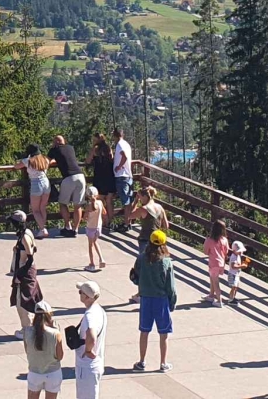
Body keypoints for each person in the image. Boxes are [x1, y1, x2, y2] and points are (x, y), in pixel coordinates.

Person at [134, 230, 177, 373]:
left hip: (146, 299)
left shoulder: (141, 259)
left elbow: (135, 276)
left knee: (144, 331)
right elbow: (170, 286)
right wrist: (172, 301)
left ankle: (141, 361)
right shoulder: (166, 262)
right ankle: (163, 363)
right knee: (163, 333)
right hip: (161, 300)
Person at [128, 185, 169, 301]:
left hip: (145, 240)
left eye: (140, 197)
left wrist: (135, 202)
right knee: (156, 266)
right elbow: (166, 225)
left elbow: (130, 216)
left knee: (143, 267)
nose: (139, 199)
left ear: (145, 196)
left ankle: (141, 293)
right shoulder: (160, 207)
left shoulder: (144, 209)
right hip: (159, 242)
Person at [9, 210, 43, 338]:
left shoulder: (24, 236)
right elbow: (34, 248)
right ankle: (30, 328)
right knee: (26, 299)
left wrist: (19, 275)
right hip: (25, 270)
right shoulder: (27, 232)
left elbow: (30, 258)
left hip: (25, 271)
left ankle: (27, 330)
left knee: (22, 302)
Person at [24, 300, 64, 399]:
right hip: (53, 373)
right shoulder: (55, 333)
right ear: (49, 316)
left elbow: (27, 351)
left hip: (35, 372)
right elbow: (60, 356)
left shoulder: (27, 332)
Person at [75, 280, 107, 399]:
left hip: (87, 366)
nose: (79, 294)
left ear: (87, 297)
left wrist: (88, 350)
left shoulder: (90, 315)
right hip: (95, 363)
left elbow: (92, 336)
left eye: (80, 292)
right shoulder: (100, 310)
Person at [51, 134, 86, 236]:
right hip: (80, 176)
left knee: (62, 203)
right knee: (77, 205)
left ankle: (67, 226)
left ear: (56, 142)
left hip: (69, 177)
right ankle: (75, 229)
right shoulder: (70, 148)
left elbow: (46, 161)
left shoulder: (55, 149)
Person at [17, 145, 52, 238]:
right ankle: (42, 228)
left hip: (36, 184)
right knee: (42, 207)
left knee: (35, 210)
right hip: (46, 183)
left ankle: (42, 229)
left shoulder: (28, 161)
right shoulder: (44, 159)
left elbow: (16, 166)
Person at [88, 132, 117, 231]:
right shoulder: (108, 148)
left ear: (96, 140)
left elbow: (88, 160)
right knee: (109, 201)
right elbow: (112, 159)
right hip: (110, 176)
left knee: (99, 200)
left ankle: (103, 221)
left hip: (100, 177)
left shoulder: (95, 149)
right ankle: (110, 221)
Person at [112, 127, 134, 232]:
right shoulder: (126, 144)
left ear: (115, 135)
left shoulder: (120, 145)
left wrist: (119, 166)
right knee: (128, 201)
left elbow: (124, 157)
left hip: (122, 176)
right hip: (128, 175)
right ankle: (128, 222)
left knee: (125, 202)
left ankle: (126, 224)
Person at [204, 219, 229, 306]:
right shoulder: (225, 240)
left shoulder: (209, 240)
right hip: (221, 263)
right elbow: (226, 252)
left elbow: (206, 251)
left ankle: (219, 300)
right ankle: (211, 295)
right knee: (212, 278)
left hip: (213, 263)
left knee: (215, 282)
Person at [81, 186, 107, 272]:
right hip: (98, 227)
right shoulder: (100, 202)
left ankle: (92, 264)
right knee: (95, 242)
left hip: (90, 227)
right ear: (97, 194)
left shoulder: (88, 206)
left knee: (90, 246)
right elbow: (104, 212)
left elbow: (85, 217)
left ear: (87, 196)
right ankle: (101, 259)